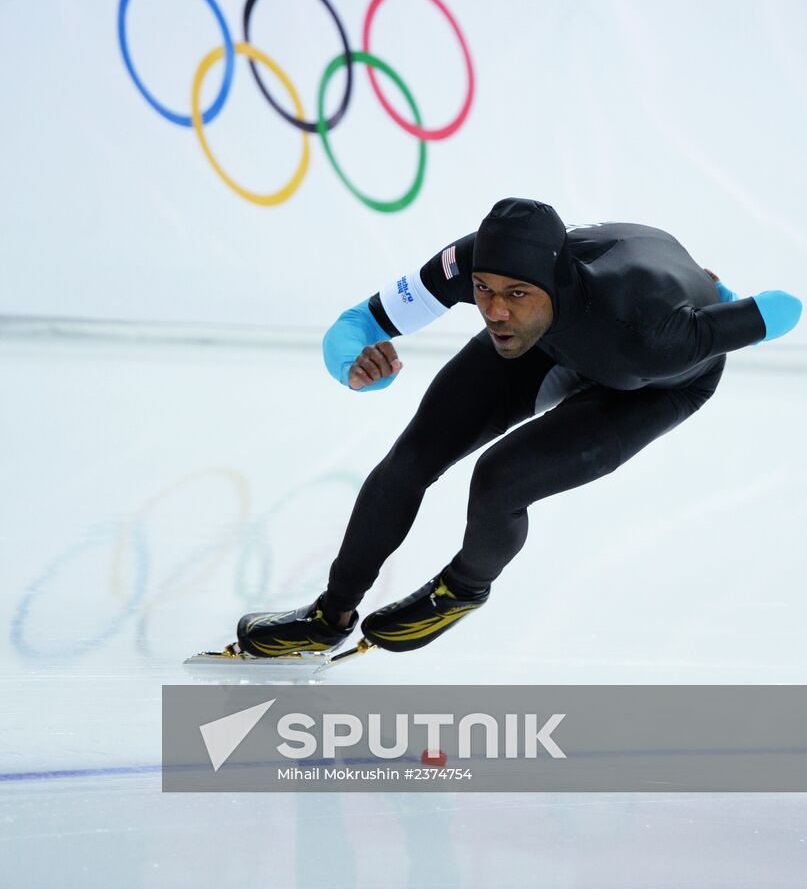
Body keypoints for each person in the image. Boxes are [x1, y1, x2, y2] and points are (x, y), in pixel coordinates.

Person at [235, 198, 802, 657]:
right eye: (483, 290)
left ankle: (461, 590)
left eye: (515, 295)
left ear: (551, 284)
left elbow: (785, 307)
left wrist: (723, 301)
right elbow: (357, 323)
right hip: (550, 339)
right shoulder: (473, 265)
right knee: (412, 457)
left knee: (500, 478)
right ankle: (328, 614)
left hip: (652, 380)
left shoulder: (655, 336)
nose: (494, 310)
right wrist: (354, 364)